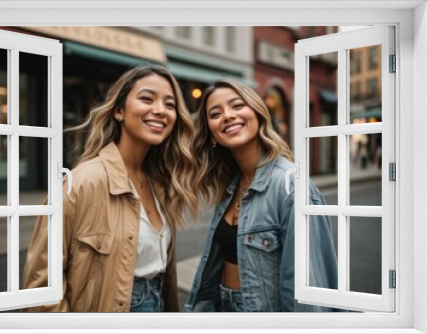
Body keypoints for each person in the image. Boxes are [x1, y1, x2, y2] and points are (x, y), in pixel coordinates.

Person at [22, 64, 199, 312]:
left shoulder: (160, 182)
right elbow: (41, 288)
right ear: (118, 110)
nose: (160, 110)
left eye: (169, 105)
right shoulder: (81, 183)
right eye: (147, 98)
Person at [184, 79, 341, 312]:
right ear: (212, 135)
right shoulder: (231, 185)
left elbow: (307, 292)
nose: (227, 115)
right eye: (215, 113)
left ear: (258, 114)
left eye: (237, 106)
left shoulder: (291, 186)